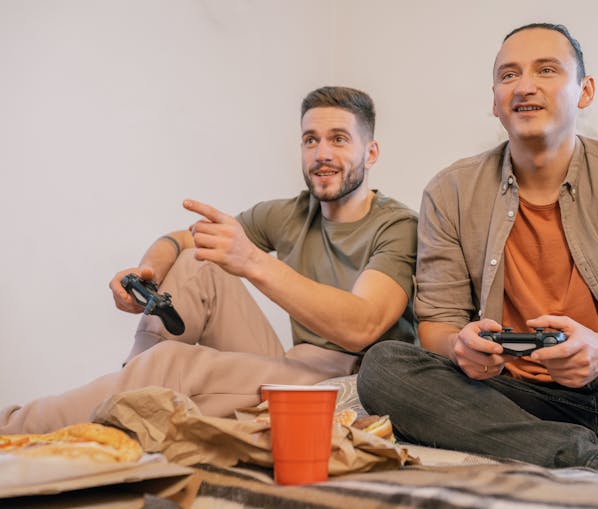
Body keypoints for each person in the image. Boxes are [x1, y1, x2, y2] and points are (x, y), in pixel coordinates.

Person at [357, 23, 598, 478]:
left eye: (546, 70)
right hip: (517, 399)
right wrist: (460, 347)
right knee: (384, 367)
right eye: (508, 75)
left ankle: (576, 445)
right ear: (495, 101)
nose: (524, 86)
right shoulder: (450, 192)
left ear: (584, 91)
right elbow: (438, 329)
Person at [1, 86, 417, 434]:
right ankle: (133, 392)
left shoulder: (397, 225)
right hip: (293, 364)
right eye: (311, 140)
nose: (322, 153)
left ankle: (13, 427)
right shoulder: (290, 212)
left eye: (339, 139)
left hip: (351, 383)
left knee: (173, 365)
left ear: (372, 151)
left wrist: (253, 261)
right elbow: (184, 239)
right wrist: (149, 270)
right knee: (197, 262)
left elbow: (362, 326)